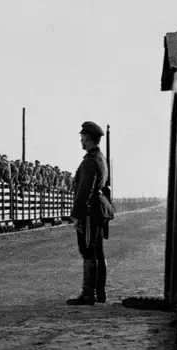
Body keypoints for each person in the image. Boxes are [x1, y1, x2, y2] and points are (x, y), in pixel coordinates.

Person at [66, 121, 108, 305]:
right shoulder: (100, 158)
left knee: (88, 251)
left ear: (88, 138)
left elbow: (85, 190)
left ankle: (88, 293)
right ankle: (99, 292)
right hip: (97, 210)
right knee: (97, 251)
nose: (81, 140)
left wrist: (77, 214)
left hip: (89, 212)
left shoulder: (91, 161)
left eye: (82, 137)